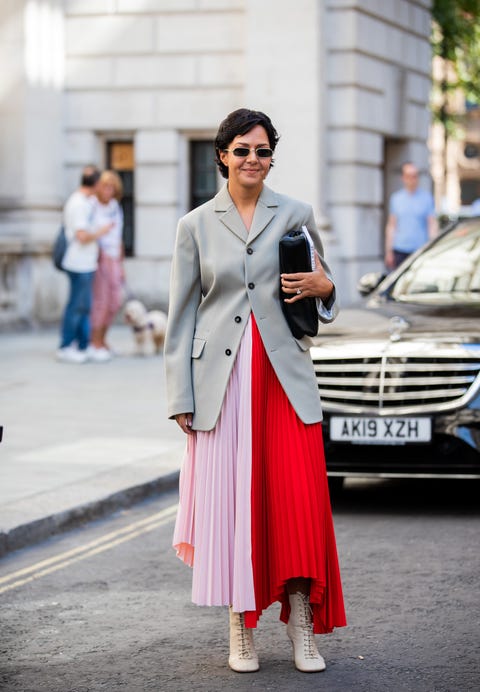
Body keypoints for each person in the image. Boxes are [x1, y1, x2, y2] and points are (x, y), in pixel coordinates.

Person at [164, 108, 346, 674]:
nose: (252, 160)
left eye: (262, 151)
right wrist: (180, 396)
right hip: (219, 384)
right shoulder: (194, 224)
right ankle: (240, 628)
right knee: (234, 508)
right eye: (242, 150)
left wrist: (327, 285)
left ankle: (301, 624)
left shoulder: (296, 212)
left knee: (295, 503)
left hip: (282, 379)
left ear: (272, 157)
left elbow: (323, 289)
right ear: (222, 154)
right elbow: (181, 317)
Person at [57, 166, 113, 363]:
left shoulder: (83, 202)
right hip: (78, 263)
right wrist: (101, 231)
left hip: (85, 263)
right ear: (96, 184)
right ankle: (66, 346)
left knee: (85, 305)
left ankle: (83, 345)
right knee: (77, 306)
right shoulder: (79, 203)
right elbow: (81, 235)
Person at [88, 170, 125, 362]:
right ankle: (95, 342)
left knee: (115, 301)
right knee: (100, 302)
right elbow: (87, 232)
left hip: (114, 259)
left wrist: (121, 264)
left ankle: (103, 339)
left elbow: (118, 238)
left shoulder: (115, 207)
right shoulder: (92, 206)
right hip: (99, 258)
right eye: (105, 186)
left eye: (112, 187)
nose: (109, 190)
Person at [384, 161, 438, 270]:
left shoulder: (426, 198)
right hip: (399, 250)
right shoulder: (396, 199)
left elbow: (432, 225)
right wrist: (389, 251)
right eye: (409, 176)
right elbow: (391, 226)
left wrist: (433, 247)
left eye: (415, 176)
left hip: (420, 249)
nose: (412, 179)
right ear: (403, 178)